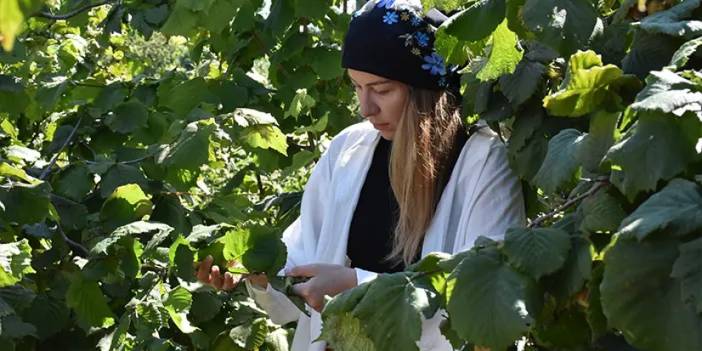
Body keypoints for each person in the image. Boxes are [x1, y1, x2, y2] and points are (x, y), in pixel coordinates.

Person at [196, 0, 525, 350]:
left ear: (424, 89)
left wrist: (356, 283)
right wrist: (256, 273)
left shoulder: (483, 163)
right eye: (357, 87)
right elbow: (303, 254)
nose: (366, 108)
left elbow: (484, 295)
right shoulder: (348, 151)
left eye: (382, 90)